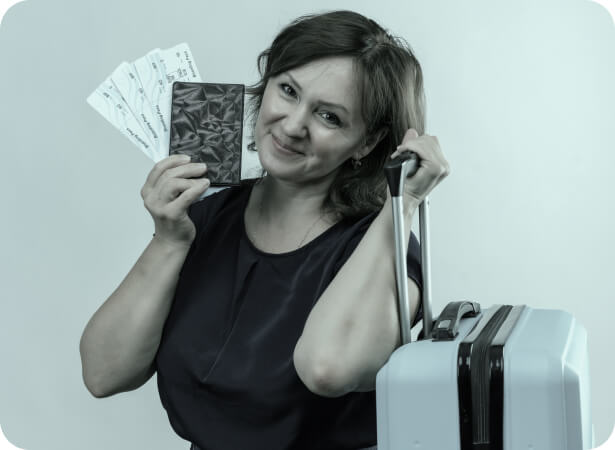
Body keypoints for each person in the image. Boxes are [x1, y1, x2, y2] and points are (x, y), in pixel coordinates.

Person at [79, 9, 449, 450]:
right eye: (288, 90)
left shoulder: (383, 247)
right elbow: (102, 373)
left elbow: (328, 368)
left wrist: (403, 200)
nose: (292, 126)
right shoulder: (204, 218)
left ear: (366, 142)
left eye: (329, 117)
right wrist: (168, 241)